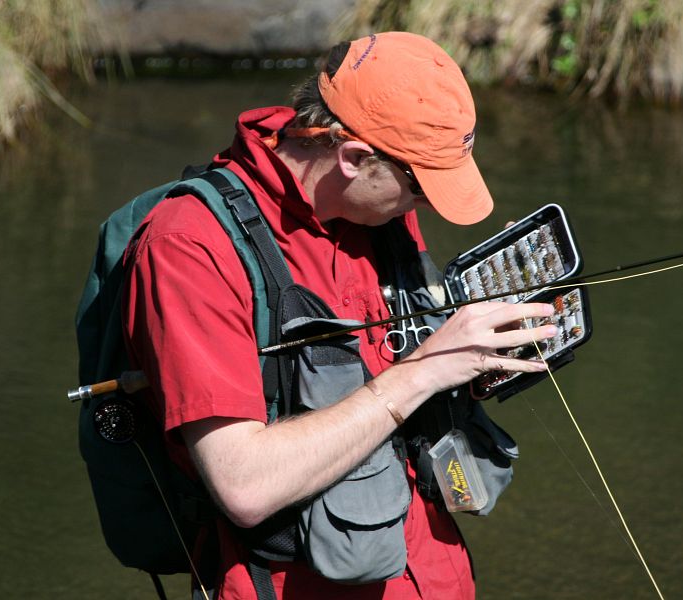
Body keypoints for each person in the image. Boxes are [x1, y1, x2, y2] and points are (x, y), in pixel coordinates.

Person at [122, 31, 557, 599]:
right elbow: (243, 484)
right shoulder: (187, 246)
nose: (423, 206)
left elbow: (405, 375)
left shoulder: (380, 211)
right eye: (421, 189)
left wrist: (478, 351)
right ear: (353, 157)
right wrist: (427, 367)